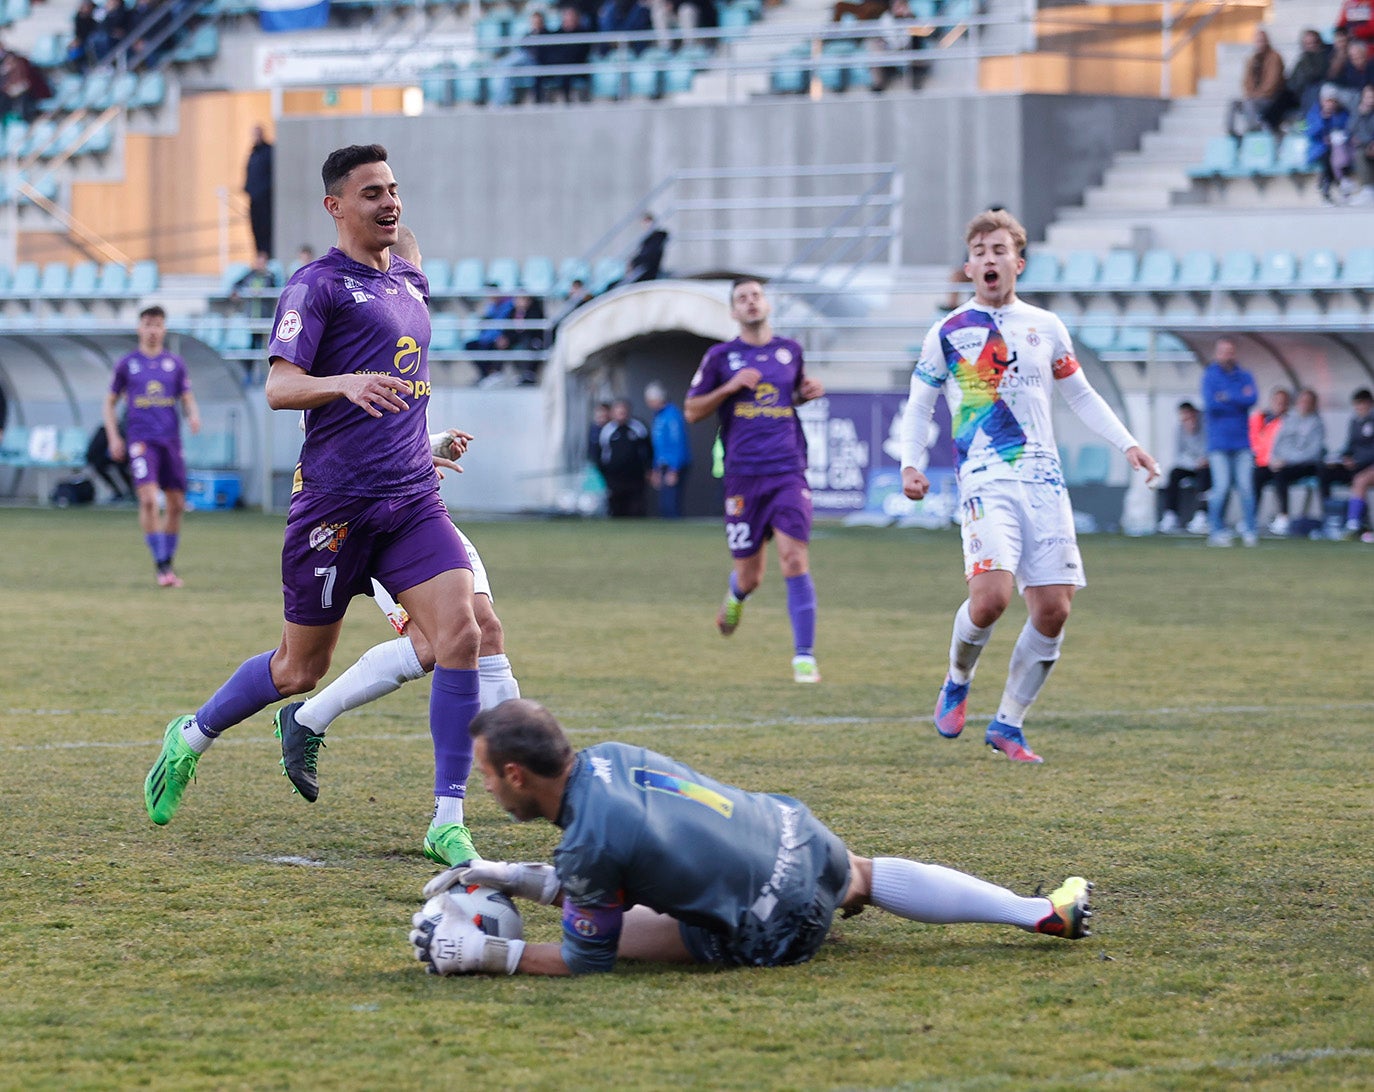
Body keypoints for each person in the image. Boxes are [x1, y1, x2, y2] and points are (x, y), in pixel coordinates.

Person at [142, 144, 486, 875]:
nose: (389, 203)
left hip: (411, 501)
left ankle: (446, 820)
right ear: (335, 207)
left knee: (461, 635)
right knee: (300, 669)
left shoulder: (409, 278)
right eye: (371, 194)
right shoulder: (315, 286)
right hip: (333, 506)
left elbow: (399, 382)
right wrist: (345, 383)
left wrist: (422, 440)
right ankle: (191, 736)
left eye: (394, 189)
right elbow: (280, 388)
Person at [408, 699, 1094, 977]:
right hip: (803, 839)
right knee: (862, 871)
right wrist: (508, 874)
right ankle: (1036, 912)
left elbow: (589, 956)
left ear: (520, 775)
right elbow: (613, 864)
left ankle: (482, 947)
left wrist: (483, 951)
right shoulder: (612, 755)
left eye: (487, 777)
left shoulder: (589, 843)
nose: (486, 789)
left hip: (776, 928)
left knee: (641, 931)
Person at [271, 224, 522, 804]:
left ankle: (521, 759)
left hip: (416, 506)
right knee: (443, 642)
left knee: (475, 632)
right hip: (359, 515)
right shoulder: (336, 320)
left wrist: (430, 443)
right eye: (405, 273)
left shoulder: (405, 322)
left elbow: (394, 428)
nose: (409, 287)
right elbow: (333, 425)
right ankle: (306, 715)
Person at [899, 209, 1159, 763]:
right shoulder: (947, 332)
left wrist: (1128, 443)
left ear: (1019, 262)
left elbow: (1082, 396)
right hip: (986, 478)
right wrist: (910, 462)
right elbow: (920, 404)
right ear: (968, 267)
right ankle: (956, 678)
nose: (990, 259)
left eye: (1000, 250)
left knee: (1054, 610)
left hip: (1045, 482)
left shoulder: (1046, 327)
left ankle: (1008, 725)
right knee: (990, 600)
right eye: (981, 252)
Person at [685, 278, 826, 684]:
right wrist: (729, 387)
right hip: (743, 476)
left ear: (767, 304)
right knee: (751, 576)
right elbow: (692, 410)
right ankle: (736, 595)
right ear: (733, 312)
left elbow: (790, 395)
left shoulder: (790, 351)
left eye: (756, 296)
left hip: (787, 469)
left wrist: (805, 393)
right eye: (742, 299)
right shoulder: (720, 357)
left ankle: (804, 657)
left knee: (794, 559)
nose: (750, 303)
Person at [103, 305, 201, 586]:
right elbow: (108, 403)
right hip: (141, 441)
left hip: (170, 441)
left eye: (157, 324)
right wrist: (113, 436)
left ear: (164, 329)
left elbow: (187, 396)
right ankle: (161, 564)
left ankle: (167, 561)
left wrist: (193, 414)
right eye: (147, 324)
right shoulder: (127, 364)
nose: (152, 330)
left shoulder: (175, 364)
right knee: (148, 499)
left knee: (176, 504)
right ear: (139, 328)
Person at [1200, 337, 1259, 547]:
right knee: (1221, 487)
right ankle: (1216, 530)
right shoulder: (1210, 376)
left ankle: (1250, 530)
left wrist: (1227, 397)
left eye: (1230, 351)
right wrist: (1236, 399)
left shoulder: (1244, 375)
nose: (1227, 355)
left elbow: (1251, 399)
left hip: (1242, 442)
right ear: (1217, 353)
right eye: (1223, 351)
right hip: (1218, 444)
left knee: (1246, 488)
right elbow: (1211, 405)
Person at [1267, 387, 1327, 535]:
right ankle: (1255, 519)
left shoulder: (1317, 423)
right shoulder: (1288, 420)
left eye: (1308, 402)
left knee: (1322, 473)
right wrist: (1273, 460)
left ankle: (1327, 517)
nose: (1304, 404)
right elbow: (1276, 443)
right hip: (1284, 463)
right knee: (1258, 475)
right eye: (1302, 401)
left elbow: (1313, 452)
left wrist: (1287, 460)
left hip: (1304, 465)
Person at [1321, 387, 1374, 537]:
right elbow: (1350, 445)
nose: (1359, 408)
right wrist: (1341, 457)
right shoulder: (1355, 422)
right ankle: (1329, 518)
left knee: (1360, 481)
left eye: (1362, 404)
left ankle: (1353, 523)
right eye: (1357, 405)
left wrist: (1357, 460)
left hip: (1368, 465)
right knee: (1326, 472)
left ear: (1370, 404)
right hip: (1358, 465)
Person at [1157, 401, 1211, 535]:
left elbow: (1210, 449)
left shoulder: (1206, 427)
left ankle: (1202, 515)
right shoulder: (1180, 429)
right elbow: (1179, 454)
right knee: (1174, 474)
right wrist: (1193, 462)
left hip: (1205, 466)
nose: (1188, 421)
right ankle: (1170, 515)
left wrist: (1204, 459)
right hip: (1191, 465)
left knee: (1205, 475)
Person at [595, 398, 653, 517]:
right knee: (617, 509)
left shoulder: (638, 427)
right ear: (613, 413)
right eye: (618, 412)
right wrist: (605, 473)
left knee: (636, 509)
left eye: (624, 412)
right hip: (615, 477)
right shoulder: (607, 430)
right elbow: (600, 453)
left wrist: (648, 469)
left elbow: (648, 449)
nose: (621, 415)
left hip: (635, 476)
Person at [1227, 28, 1286, 137]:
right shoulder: (1252, 59)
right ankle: (1231, 133)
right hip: (1253, 98)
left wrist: (1257, 95)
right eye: (1258, 41)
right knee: (1234, 103)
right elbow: (1246, 80)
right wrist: (1251, 94)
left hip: (1269, 98)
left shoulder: (1275, 57)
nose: (1260, 43)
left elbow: (1273, 82)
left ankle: (1255, 129)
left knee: (1250, 103)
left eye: (1262, 40)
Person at [644, 381, 690, 518]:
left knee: (671, 505)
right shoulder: (658, 416)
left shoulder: (672, 415)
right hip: (663, 465)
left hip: (673, 466)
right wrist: (655, 469)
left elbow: (677, 442)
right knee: (664, 505)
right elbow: (658, 445)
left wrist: (674, 469)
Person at [1249, 386, 1291, 522]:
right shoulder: (1260, 418)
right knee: (1255, 478)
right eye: (1278, 401)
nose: (1280, 405)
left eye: (1283, 402)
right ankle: (1251, 517)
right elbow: (1252, 440)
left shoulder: (1290, 421)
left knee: (1280, 476)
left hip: (1282, 463)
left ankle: (1283, 516)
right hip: (1262, 463)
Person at [537, 6, 592, 103]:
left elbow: (581, 54)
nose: (569, 20)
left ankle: (567, 102)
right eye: (567, 17)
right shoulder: (557, 33)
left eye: (571, 17)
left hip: (575, 66)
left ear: (577, 19)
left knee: (566, 72)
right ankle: (538, 102)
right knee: (539, 71)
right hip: (556, 65)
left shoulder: (583, 34)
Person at [465, 288, 516, 384]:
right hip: (487, 338)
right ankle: (486, 374)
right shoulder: (490, 307)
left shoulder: (509, 307)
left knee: (499, 345)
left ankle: (494, 374)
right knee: (470, 345)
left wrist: (504, 336)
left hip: (501, 337)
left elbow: (508, 325)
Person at [1286, 28, 1334, 121]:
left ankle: (1309, 122)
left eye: (1313, 42)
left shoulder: (1326, 54)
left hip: (1318, 86)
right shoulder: (1303, 58)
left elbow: (1317, 74)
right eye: (1308, 43)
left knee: (1311, 92)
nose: (1311, 46)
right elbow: (1294, 78)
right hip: (1299, 88)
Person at [85, 420, 135, 502]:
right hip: (111, 448)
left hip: (126, 445)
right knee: (99, 465)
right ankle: (119, 493)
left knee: (122, 466)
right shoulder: (104, 431)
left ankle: (132, 493)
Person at [244, 124, 274, 258]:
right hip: (255, 200)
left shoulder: (269, 152)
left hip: (266, 200)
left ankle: (267, 258)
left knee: (266, 231)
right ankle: (260, 258)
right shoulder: (253, 153)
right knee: (256, 231)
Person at [624, 213, 668, 283]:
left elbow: (648, 255)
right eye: (644, 222)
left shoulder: (657, 238)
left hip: (647, 269)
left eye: (648, 221)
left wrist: (634, 262)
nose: (646, 225)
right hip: (643, 267)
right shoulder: (648, 238)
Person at [1348, 84, 1374, 204]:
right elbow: (1351, 129)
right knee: (1359, 153)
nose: (1370, 100)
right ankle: (1368, 189)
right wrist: (1360, 114)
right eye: (1368, 97)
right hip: (1366, 146)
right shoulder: (1358, 112)